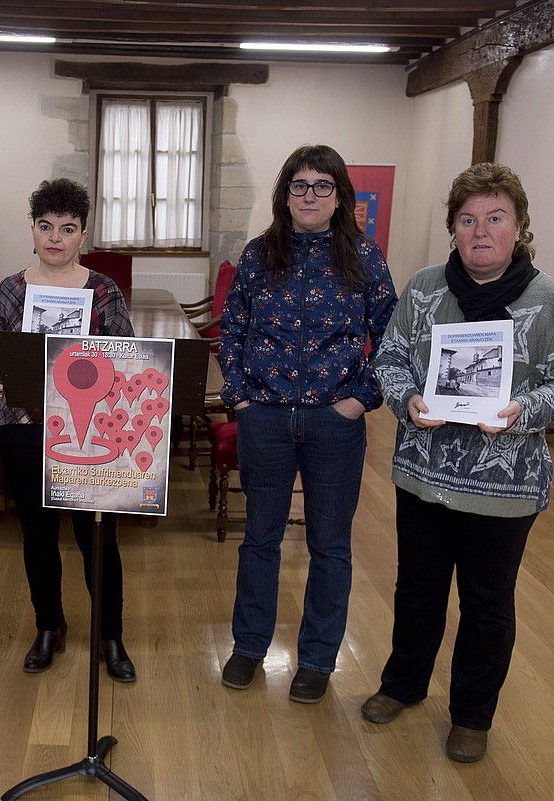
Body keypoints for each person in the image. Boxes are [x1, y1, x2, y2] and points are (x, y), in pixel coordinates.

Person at [361, 163, 554, 763]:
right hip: (424, 476)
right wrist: (408, 400)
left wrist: (524, 409)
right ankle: (402, 686)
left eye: (495, 219)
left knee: (488, 602)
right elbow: (389, 358)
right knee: (417, 588)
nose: (480, 232)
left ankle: (472, 715)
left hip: (505, 487)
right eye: (467, 220)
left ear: (518, 228)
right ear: (453, 228)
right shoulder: (424, 289)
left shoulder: (551, 300)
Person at [218, 144, 397, 702]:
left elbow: (394, 338)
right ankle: (249, 648)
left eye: (323, 186)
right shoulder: (257, 255)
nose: (310, 196)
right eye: (300, 186)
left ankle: (318, 659)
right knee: (260, 540)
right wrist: (240, 399)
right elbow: (232, 331)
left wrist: (361, 399)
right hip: (265, 419)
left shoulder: (363, 257)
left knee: (330, 546)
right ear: (285, 195)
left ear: (339, 195)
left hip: (334, 422)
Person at [0, 178, 137, 682]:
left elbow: (125, 353)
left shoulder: (102, 290)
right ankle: (49, 626)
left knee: (98, 537)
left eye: (67, 229)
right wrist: (27, 375)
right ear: (33, 231)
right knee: (38, 535)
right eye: (46, 227)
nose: (55, 238)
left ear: (82, 235)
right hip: (25, 427)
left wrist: (83, 376)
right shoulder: (12, 290)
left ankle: (110, 634)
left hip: (90, 435)